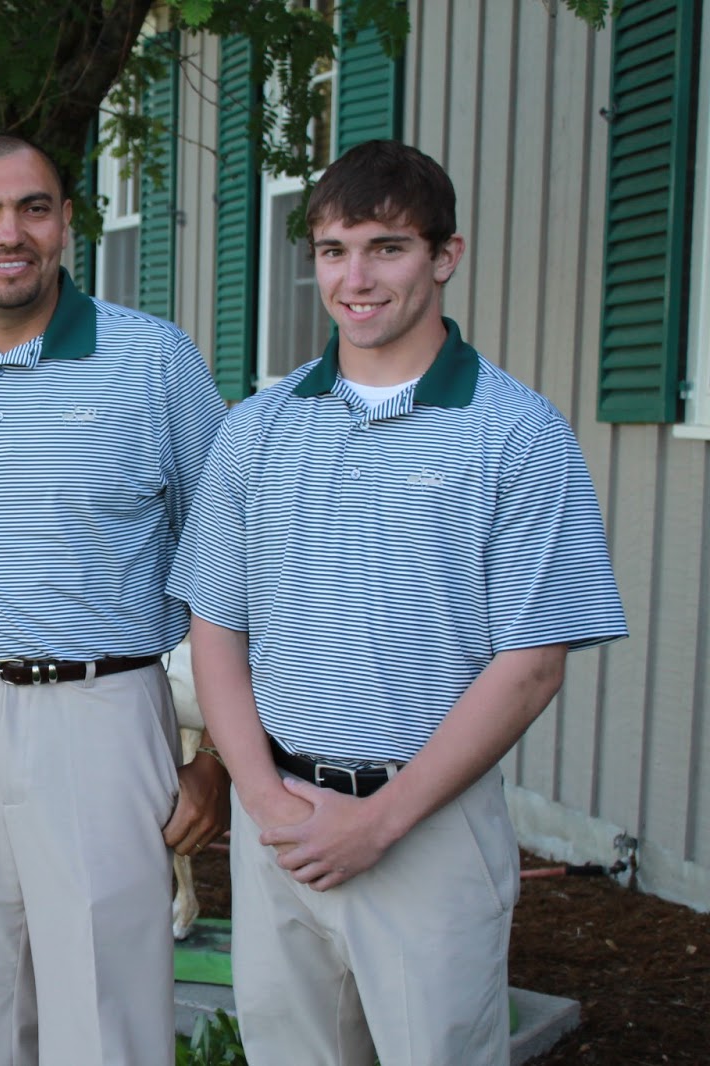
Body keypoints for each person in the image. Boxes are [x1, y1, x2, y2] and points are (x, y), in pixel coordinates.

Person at [172, 139, 629, 1066]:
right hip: (283, 825)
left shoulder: (515, 433)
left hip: (426, 831)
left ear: (444, 256)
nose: (356, 278)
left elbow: (532, 664)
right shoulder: (257, 428)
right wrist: (264, 798)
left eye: (387, 247)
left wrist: (378, 823)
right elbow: (215, 623)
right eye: (334, 251)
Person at [0, 132, 231, 1066]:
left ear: (69, 221)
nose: (9, 233)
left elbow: (234, 568)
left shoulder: (155, 361)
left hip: (104, 709)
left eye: (33, 207)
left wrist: (220, 758)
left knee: (107, 1007)